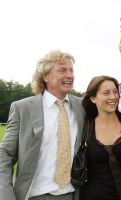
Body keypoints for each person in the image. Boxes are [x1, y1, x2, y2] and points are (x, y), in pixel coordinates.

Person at [0, 50, 85, 200]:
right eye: (62, 70)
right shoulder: (22, 108)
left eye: (71, 70)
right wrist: (6, 195)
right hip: (34, 195)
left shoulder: (82, 106)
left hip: (74, 194)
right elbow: (5, 154)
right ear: (45, 76)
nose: (70, 75)